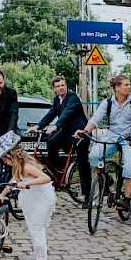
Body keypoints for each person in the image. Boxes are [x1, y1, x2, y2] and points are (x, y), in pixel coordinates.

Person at [75, 74, 131, 213]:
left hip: (129, 138)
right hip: (112, 136)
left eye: (129, 84)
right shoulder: (108, 103)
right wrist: (85, 131)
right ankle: (105, 180)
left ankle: (126, 200)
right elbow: (95, 119)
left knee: (129, 164)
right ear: (117, 88)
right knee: (94, 155)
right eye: (126, 85)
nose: (129, 87)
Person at [0, 132, 55, 260]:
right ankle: (40, 258)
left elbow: (45, 178)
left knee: (36, 230)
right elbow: (13, 180)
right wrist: (2, 194)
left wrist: (28, 183)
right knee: (35, 228)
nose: (4, 162)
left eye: (5, 159)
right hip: (35, 199)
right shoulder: (19, 167)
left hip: (41, 200)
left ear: (11, 156)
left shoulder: (27, 167)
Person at [25, 75, 90, 206]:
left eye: (63, 85)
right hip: (66, 131)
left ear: (66, 85)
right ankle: (57, 174)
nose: (61, 88)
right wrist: (37, 126)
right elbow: (50, 115)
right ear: (54, 88)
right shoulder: (56, 100)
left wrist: (56, 126)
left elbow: (67, 112)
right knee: (52, 142)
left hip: (79, 132)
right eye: (58, 86)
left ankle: (87, 195)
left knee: (82, 162)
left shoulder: (72, 98)